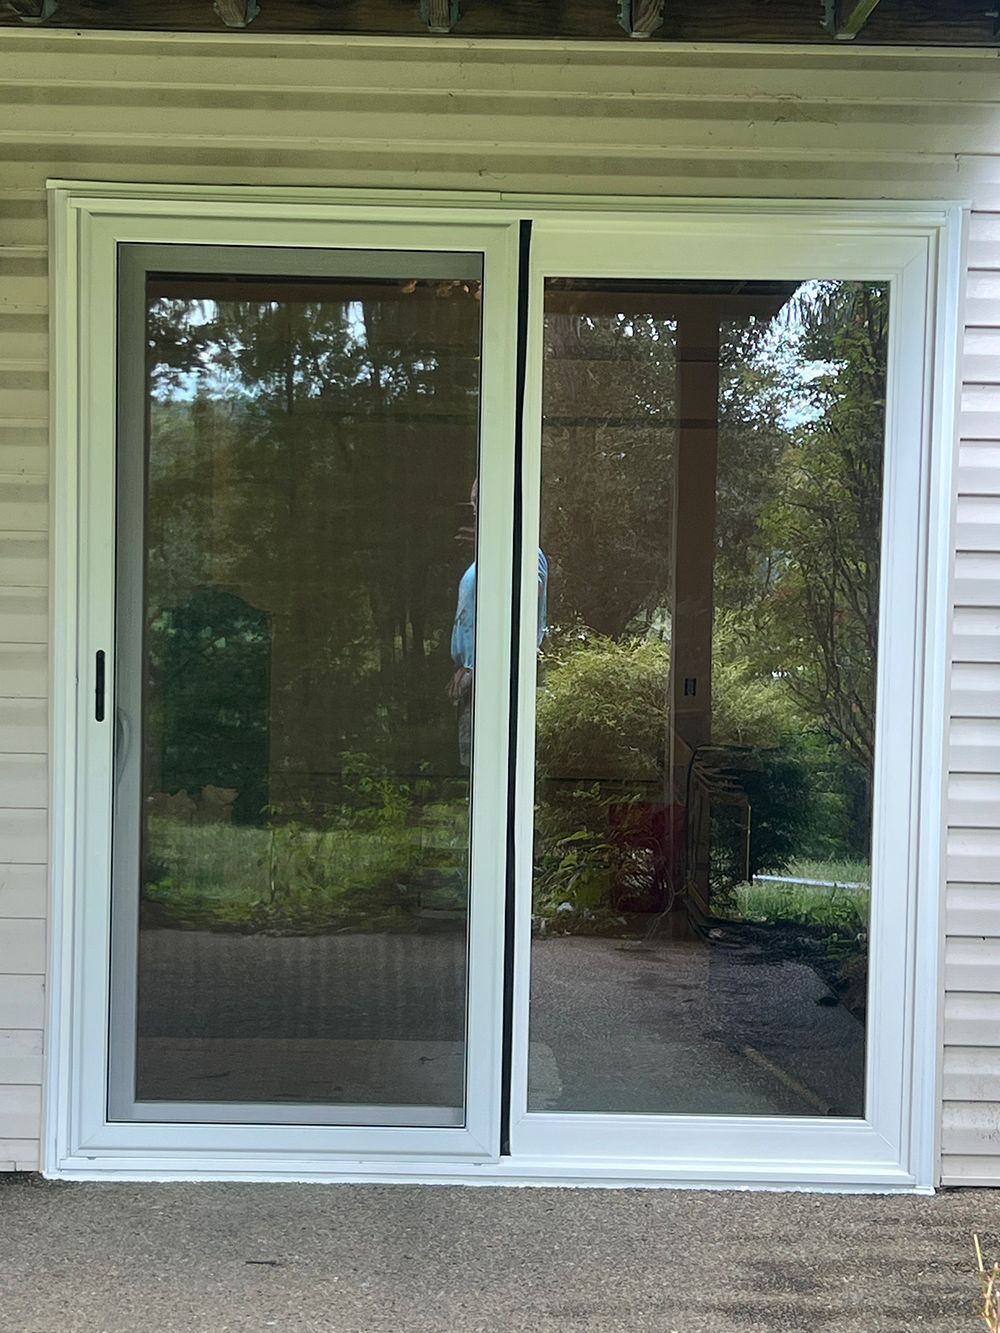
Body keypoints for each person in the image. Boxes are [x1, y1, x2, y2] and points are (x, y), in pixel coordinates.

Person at [449, 479, 548, 767]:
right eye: (474, 507)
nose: (476, 514)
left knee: (497, 768)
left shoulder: (526, 552)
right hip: (474, 678)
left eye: (481, 505)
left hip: (498, 681)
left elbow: (523, 600)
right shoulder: (488, 556)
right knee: (477, 771)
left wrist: (496, 549)